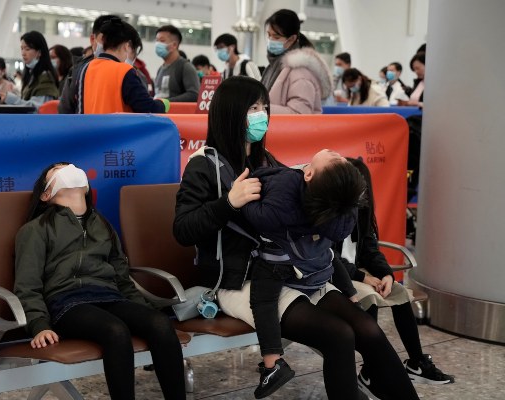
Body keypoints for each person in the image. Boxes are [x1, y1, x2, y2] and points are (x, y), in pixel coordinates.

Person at [174, 75, 420, 400]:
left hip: (292, 271)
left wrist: (360, 273)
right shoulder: (203, 165)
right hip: (242, 280)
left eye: (264, 106)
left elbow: (302, 230)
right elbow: (183, 229)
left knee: (368, 330)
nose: (262, 115)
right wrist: (229, 202)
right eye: (253, 108)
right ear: (231, 113)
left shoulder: (267, 162)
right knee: (338, 335)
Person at [14, 162, 186, 400]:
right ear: (46, 195)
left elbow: (122, 277)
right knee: (115, 331)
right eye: (59, 170)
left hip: (108, 297)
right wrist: (39, 325)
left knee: (159, 323)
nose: (69, 169)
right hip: (66, 304)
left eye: (70, 166)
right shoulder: (36, 229)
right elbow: (27, 285)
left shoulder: (103, 225)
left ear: (85, 187)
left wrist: (141, 311)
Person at [240, 149, 366, 398]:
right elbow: (338, 235)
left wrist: (242, 199)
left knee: (263, 301)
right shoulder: (340, 210)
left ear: (307, 173)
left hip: (278, 261)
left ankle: (272, 363)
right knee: (331, 257)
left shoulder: (286, 185)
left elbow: (258, 217)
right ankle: (353, 299)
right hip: (317, 263)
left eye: (333, 157)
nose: (336, 153)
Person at [330, 157, 454, 398]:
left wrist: (385, 273)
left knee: (399, 292)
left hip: (355, 273)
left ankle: (416, 363)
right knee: (371, 297)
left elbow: (369, 247)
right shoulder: (329, 212)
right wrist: (362, 278)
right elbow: (328, 257)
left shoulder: (361, 211)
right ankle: (371, 371)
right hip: (336, 276)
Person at [77, 17, 168, 114]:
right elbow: (146, 107)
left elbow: (80, 108)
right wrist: (163, 103)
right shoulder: (125, 70)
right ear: (127, 46)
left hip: (91, 128)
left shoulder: (86, 68)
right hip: (118, 128)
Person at [260, 9, 332, 114]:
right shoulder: (273, 66)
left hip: (289, 130)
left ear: (292, 39)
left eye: (276, 37)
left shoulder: (301, 72)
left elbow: (299, 114)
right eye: (269, 35)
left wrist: (260, 109)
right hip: (275, 129)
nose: (270, 40)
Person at [59, 14, 114, 114]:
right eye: (104, 39)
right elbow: (65, 109)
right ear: (93, 39)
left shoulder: (126, 71)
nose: (110, 44)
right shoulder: (77, 71)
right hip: (82, 127)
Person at [2, 31, 59, 110]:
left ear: (39, 52)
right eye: (22, 49)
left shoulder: (45, 77)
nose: (23, 53)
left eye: (27, 49)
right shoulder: (32, 75)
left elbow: (38, 108)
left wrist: (12, 99)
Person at [153, 25, 200, 102]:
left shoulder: (185, 67)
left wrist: (166, 102)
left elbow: (194, 94)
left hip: (175, 113)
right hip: (160, 113)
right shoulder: (160, 69)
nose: (158, 44)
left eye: (162, 41)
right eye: (157, 41)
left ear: (174, 45)